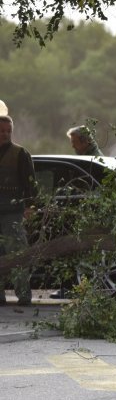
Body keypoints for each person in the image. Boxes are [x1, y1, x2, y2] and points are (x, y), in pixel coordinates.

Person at [0, 116, 36, 305]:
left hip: (13, 212)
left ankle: (23, 295)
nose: (5, 134)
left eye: (8, 131)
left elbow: (30, 184)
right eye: (2, 130)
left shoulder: (20, 154)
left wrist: (30, 207)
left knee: (17, 255)